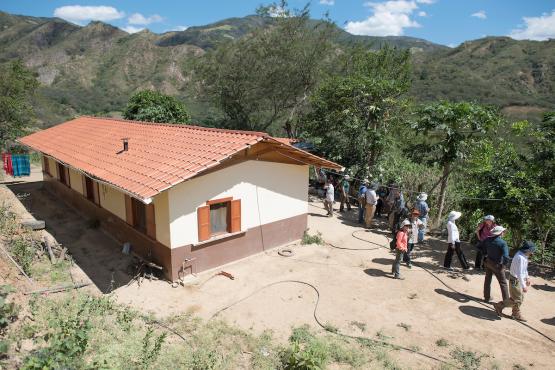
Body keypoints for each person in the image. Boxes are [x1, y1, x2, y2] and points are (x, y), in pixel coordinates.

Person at [494, 241, 535, 321]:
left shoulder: (524, 256)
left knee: (520, 297)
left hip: (518, 279)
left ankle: (515, 313)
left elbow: (524, 269)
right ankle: (500, 306)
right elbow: (519, 273)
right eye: (532, 250)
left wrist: (527, 277)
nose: (532, 252)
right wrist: (524, 286)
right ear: (527, 250)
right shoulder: (520, 257)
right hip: (515, 279)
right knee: (517, 299)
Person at [483, 225, 510, 304]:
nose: (504, 233)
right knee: (503, 283)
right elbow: (506, 256)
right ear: (500, 233)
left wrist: (485, 254)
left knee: (487, 280)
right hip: (497, 265)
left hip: (488, 262)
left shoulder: (487, 240)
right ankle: (506, 302)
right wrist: (504, 265)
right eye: (503, 232)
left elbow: (480, 246)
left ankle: (486, 297)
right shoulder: (502, 243)